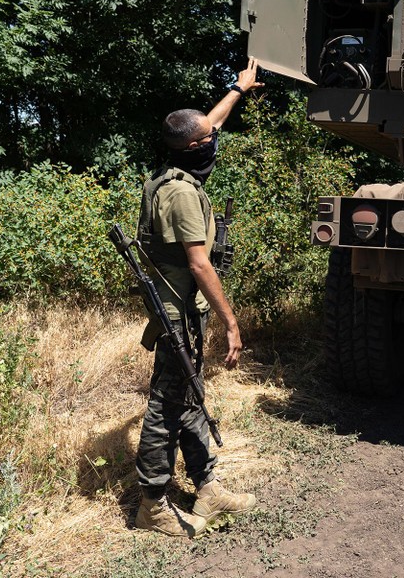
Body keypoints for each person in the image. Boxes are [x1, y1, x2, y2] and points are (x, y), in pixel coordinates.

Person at [133, 57, 263, 538]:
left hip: (185, 309)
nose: (215, 140)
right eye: (208, 139)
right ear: (192, 147)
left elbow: (211, 123)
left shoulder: (178, 167)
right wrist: (232, 322)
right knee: (166, 405)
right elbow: (199, 263)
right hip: (177, 312)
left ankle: (207, 486)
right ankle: (151, 504)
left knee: (189, 394)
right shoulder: (182, 194)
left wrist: (238, 88)